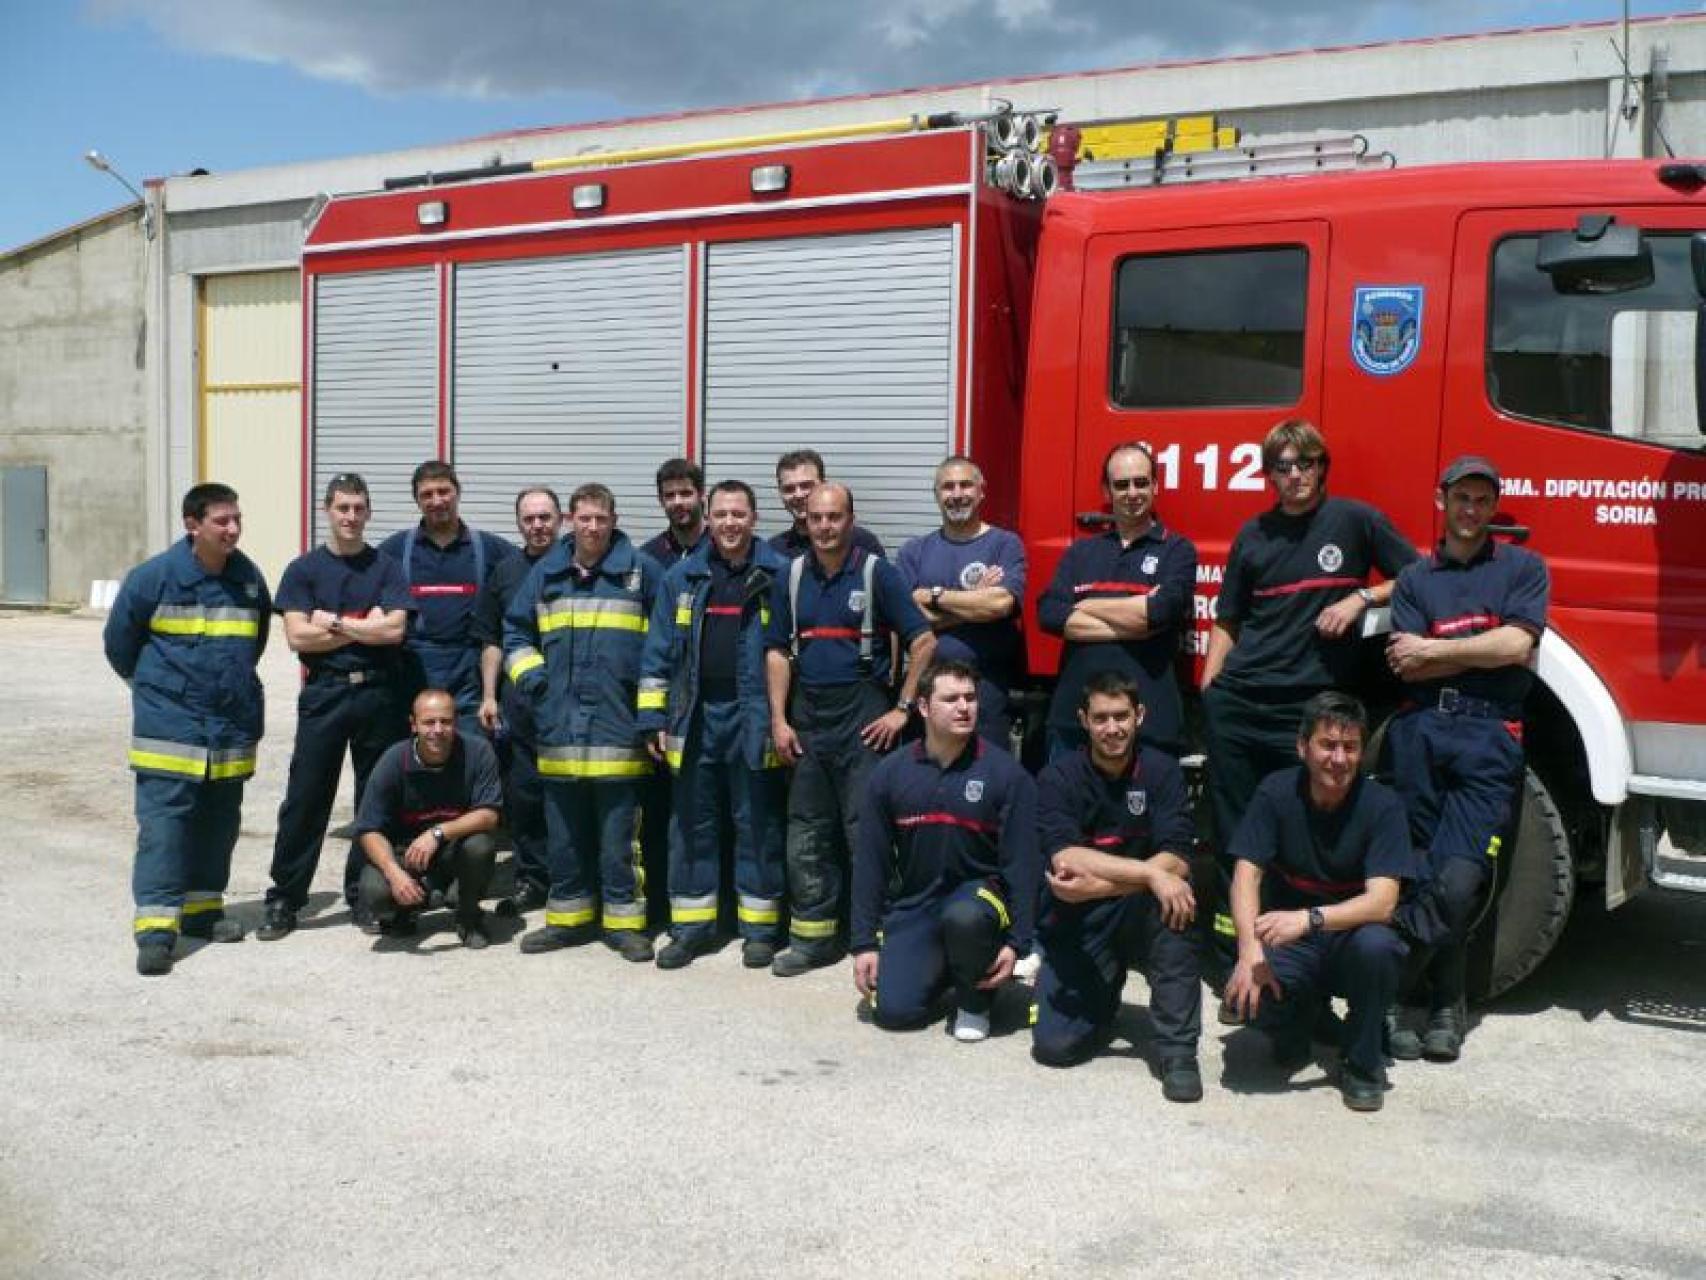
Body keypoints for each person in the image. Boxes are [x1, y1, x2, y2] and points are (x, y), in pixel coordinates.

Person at [1202, 420, 1415, 954]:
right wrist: (1211, 687)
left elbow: (1416, 575)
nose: (1294, 474)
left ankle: (1289, 946)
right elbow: (1227, 620)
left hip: (1305, 706)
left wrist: (1361, 599)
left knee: (1292, 825)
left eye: (1305, 463)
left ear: (1322, 467)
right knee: (1234, 825)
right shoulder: (1254, 535)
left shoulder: (1354, 521)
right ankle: (1236, 949)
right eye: (1283, 466)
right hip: (1241, 699)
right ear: (1269, 473)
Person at [1384, 455, 1549, 1063]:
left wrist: (1435, 649)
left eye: (1483, 500)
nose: (1472, 510)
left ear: (1493, 505)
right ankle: (1437, 1008)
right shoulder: (1413, 580)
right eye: (1462, 498)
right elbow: (1405, 662)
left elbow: (1517, 646)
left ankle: (1394, 979)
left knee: (1459, 880)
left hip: (1488, 736)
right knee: (1416, 872)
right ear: (1442, 500)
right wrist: (1477, 652)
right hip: (1419, 731)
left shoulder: (1523, 568)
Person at [766, 483, 935, 976]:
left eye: (834, 517)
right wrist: (779, 720)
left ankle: (881, 936)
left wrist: (903, 709)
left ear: (851, 518)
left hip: (865, 717)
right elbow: (777, 651)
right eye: (816, 517)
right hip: (808, 718)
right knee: (807, 832)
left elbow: (924, 641)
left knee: (868, 833)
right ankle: (814, 938)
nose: (823, 526)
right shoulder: (791, 576)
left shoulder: (876, 572)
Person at [103, 482, 270, 976]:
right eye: (222, 521)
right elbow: (119, 646)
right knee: (165, 830)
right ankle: (156, 930)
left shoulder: (248, 580)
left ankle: (202, 912)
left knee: (220, 824)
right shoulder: (153, 578)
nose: (233, 529)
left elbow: (252, 643)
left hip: (229, 726)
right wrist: (159, 691)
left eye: (237, 519)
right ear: (192, 524)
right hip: (169, 728)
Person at [1223, 692, 1416, 1113]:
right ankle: (1303, 1018)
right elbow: (1245, 874)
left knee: (1379, 948)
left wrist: (1308, 919)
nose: (1339, 758)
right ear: (1302, 747)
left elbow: (1383, 902)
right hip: (1295, 943)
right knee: (1246, 996)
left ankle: (1364, 1063)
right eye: (1328, 745)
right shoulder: (1275, 793)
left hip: (1351, 937)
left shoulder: (1383, 806)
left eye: (1350, 747)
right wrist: (1248, 951)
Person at [506, 484, 665, 962]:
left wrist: (651, 715)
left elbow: (663, 648)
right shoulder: (545, 575)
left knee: (620, 842)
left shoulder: (642, 573)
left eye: (601, 518)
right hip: (559, 733)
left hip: (618, 736)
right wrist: (537, 684)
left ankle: (624, 925)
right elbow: (514, 633)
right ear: (570, 520)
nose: (592, 527)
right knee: (564, 837)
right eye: (584, 518)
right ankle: (569, 921)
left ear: (614, 520)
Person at [1029, 671, 1204, 1102]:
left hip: (1136, 911)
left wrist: (1106, 885)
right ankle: (1101, 997)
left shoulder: (1162, 772)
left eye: (1122, 716)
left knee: (1177, 901)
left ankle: (1178, 1051)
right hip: (1080, 920)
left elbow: (1178, 857)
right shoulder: (1058, 777)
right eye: (1102, 718)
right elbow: (1066, 857)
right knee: (1054, 1048)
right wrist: (1148, 874)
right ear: (1083, 720)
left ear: (1139, 715)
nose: (1113, 728)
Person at [638, 480, 790, 970]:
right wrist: (654, 718)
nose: (729, 523)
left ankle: (760, 930)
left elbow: (789, 651)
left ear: (754, 517)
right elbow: (658, 652)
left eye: (738, 514)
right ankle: (692, 927)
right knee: (691, 823)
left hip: (754, 716)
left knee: (756, 821)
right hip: (695, 714)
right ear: (709, 516)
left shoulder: (778, 574)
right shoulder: (681, 577)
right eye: (721, 514)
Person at [851, 660, 1039, 1041]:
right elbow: (871, 863)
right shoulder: (890, 774)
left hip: (980, 902)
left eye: (970, 698)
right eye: (950, 699)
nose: (964, 707)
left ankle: (974, 1002)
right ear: (923, 708)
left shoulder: (1006, 775)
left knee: (965, 915)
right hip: (917, 905)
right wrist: (864, 943)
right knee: (893, 1013)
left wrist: (1020, 942)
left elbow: (1024, 865)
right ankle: (943, 969)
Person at [259, 472, 410, 940]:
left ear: (368, 512)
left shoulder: (385, 568)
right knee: (307, 796)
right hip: (325, 693)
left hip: (378, 693)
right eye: (342, 507)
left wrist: (337, 622)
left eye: (358, 508)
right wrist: (366, 624)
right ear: (327, 509)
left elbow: (395, 631)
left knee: (374, 799)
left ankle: (364, 895)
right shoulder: (304, 570)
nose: (351, 516)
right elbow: (297, 635)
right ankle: (285, 898)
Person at [1038, 442, 1196, 758]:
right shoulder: (1081, 552)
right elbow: (1050, 614)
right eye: (1121, 484)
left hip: (1149, 724)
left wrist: (1087, 605)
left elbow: (1161, 612)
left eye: (1141, 482)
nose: (1132, 492)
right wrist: (1136, 620)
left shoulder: (1177, 550)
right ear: (1107, 491)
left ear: (1155, 486)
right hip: (1074, 723)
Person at [352, 689, 502, 948]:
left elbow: (489, 815)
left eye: (445, 722)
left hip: (454, 848)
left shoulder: (478, 752)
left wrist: (438, 833)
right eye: (428, 722)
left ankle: (468, 916)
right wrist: (393, 872)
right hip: (406, 854)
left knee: (481, 845)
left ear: (455, 722)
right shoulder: (393, 760)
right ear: (413, 725)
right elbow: (368, 829)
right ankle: (405, 910)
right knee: (374, 892)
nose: (437, 730)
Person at [474, 486, 563, 917]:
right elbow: (491, 640)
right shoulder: (505, 572)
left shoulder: (577, 565)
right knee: (524, 797)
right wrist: (490, 695)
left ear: (560, 519)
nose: (538, 525)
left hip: (570, 707)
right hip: (520, 706)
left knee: (567, 798)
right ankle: (532, 880)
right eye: (529, 519)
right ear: (519, 524)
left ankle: (572, 881)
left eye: (545, 516)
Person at [896, 456, 1027, 747]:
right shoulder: (913, 551)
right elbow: (908, 618)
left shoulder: (1005, 544)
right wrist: (973, 603)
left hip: (985, 691)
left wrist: (934, 596)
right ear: (936, 495)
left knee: (985, 780)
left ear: (982, 491)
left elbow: (999, 606)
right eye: (947, 487)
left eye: (965, 485)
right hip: (927, 688)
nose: (957, 494)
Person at [379, 460, 518, 733]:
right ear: (416, 500)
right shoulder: (395, 550)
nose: (437, 500)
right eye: (427, 494)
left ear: (458, 492)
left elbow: (534, 568)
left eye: (444, 491)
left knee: (470, 753)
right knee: (415, 758)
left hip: (470, 674)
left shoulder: (490, 549)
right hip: (413, 671)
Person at [768, 449, 885, 559]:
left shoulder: (862, 543)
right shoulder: (774, 551)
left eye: (806, 485)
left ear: (824, 485)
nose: (798, 495)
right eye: (789, 489)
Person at [641, 457, 709, 569]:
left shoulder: (722, 549)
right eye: (670, 495)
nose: (677, 502)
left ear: (701, 495)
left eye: (685, 493)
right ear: (661, 501)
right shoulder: (648, 557)